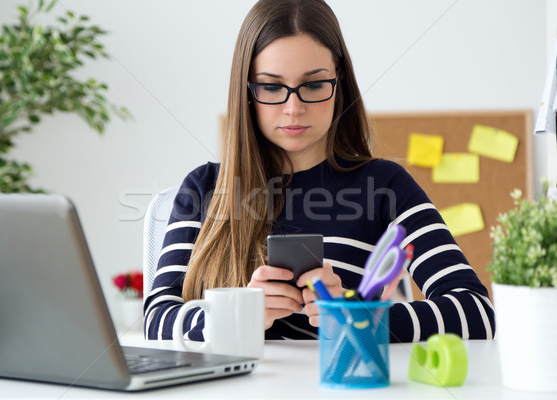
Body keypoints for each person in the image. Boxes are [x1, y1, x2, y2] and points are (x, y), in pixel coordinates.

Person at [144, 0, 495, 343]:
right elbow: (157, 318)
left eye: (313, 85)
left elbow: (477, 312)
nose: (293, 108)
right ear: (247, 91)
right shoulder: (204, 187)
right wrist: (238, 316)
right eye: (271, 87)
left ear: (338, 84)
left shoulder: (386, 186)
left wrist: (358, 316)